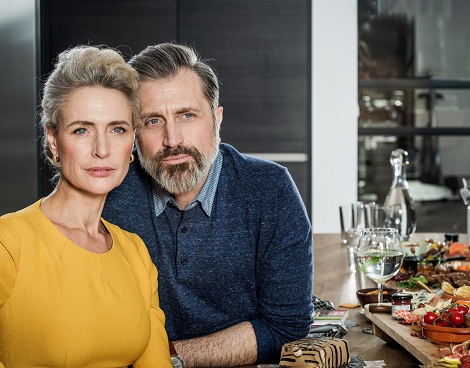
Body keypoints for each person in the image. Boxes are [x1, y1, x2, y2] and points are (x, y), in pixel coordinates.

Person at [0, 45, 171, 368]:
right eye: (81, 130)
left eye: (117, 129)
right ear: (53, 140)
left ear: (131, 144)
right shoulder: (12, 242)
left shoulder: (135, 253)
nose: (102, 149)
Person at [102, 42, 314, 367]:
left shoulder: (271, 191)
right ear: (133, 131)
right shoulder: (108, 194)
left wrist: (168, 358)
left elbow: (285, 328)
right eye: (153, 121)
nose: (172, 139)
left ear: (217, 120)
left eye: (187, 115)